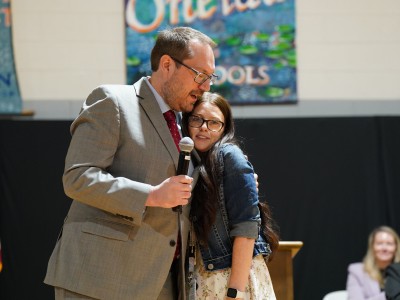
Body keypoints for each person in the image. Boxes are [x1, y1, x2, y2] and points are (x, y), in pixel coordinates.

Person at [44, 26, 218, 300]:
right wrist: (151, 195)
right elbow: (78, 178)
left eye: (211, 77)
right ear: (167, 65)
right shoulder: (113, 101)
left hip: (161, 281)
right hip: (99, 278)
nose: (206, 86)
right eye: (200, 75)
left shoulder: (187, 121)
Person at [181, 92, 279, 300]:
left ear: (224, 128)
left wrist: (234, 293)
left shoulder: (229, 156)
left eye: (214, 122)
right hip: (203, 279)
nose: (204, 127)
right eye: (197, 119)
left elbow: (246, 229)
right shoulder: (192, 164)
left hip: (232, 281)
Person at [346, 225, 400, 300]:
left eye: (389, 244)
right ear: (372, 246)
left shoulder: (398, 271)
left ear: (396, 247)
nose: (384, 248)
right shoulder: (357, 271)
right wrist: (392, 294)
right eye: (379, 243)